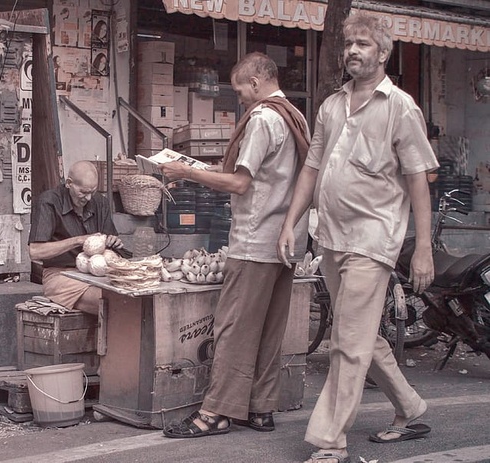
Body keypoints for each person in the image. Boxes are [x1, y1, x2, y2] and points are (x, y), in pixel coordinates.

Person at [277, 14, 439, 463]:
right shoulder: (331, 106)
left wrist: (422, 247)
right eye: (349, 43)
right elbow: (312, 168)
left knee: (346, 340)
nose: (352, 50)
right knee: (362, 334)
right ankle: (409, 407)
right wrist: (292, 222)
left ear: (382, 53)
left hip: (373, 238)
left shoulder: (401, 107)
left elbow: (419, 181)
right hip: (330, 236)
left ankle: (330, 443)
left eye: (363, 44)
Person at [160, 51, 311, 438]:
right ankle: (261, 409)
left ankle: (214, 414)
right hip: (287, 240)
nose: (239, 98)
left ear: (256, 82)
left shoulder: (262, 119)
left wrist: (186, 172)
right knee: (268, 330)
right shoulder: (295, 116)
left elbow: (241, 183)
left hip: (256, 240)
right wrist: (195, 167)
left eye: (240, 89)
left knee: (233, 329)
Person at [28, 161, 124, 314]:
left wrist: (113, 242)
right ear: (69, 183)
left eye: (92, 192)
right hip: (59, 275)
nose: (88, 198)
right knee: (109, 301)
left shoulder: (99, 202)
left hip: (95, 273)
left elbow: (109, 239)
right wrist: (78, 240)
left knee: (127, 297)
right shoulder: (49, 202)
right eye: (83, 192)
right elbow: (35, 251)